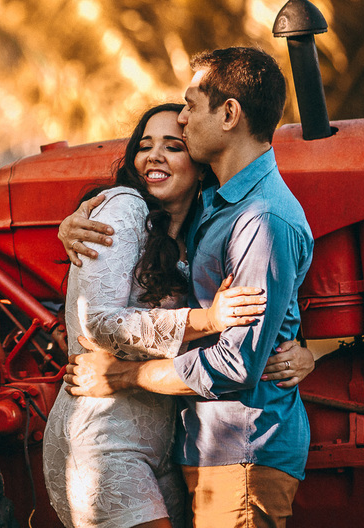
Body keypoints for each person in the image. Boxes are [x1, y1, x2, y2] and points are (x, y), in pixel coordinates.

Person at [60, 47, 314, 528]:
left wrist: (122, 376)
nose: (182, 116)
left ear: (230, 113)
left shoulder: (261, 219)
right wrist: (76, 219)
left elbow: (237, 363)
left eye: (191, 105)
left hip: (241, 447)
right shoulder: (215, 205)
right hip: (203, 445)